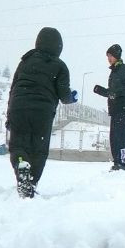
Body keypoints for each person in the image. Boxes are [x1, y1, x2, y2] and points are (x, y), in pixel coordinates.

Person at [6, 27, 77, 198]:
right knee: (39, 148)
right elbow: (63, 94)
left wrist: (10, 115)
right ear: (58, 46)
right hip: (42, 111)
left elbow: (13, 88)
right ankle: (31, 181)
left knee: (18, 145)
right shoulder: (60, 66)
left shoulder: (25, 61)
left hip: (19, 106)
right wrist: (71, 98)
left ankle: (22, 166)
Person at [92, 43, 125, 171]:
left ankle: (121, 162)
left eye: (110, 56)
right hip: (115, 110)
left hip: (124, 109)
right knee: (114, 137)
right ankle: (116, 161)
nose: (109, 58)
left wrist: (115, 93)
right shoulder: (114, 73)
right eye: (108, 56)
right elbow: (112, 93)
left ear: (116, 56)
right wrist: (101, 91)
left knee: (121, 136)